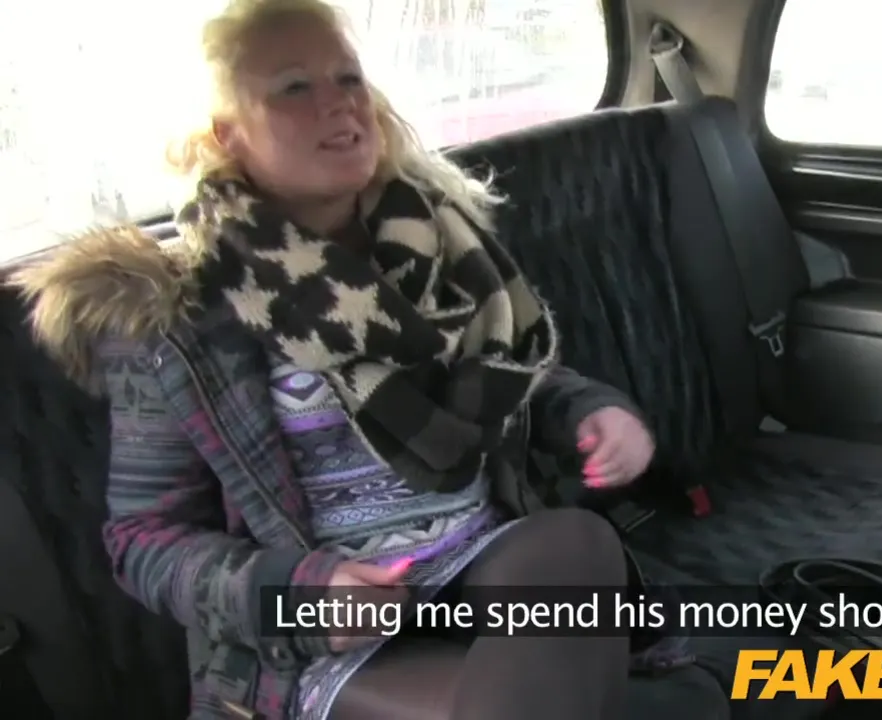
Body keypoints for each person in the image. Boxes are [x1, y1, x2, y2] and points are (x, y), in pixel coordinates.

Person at [9, 0, 694, 718]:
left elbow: (518, 381)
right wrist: (302, 596)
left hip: (478, 561)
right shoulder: (178, 312)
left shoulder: (441, 245)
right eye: (293, 87)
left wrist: (590, 411)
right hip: (324, 633)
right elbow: (144, 543)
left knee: (577, 545)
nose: (337, 104)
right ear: (227, 134)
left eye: (349, 78)